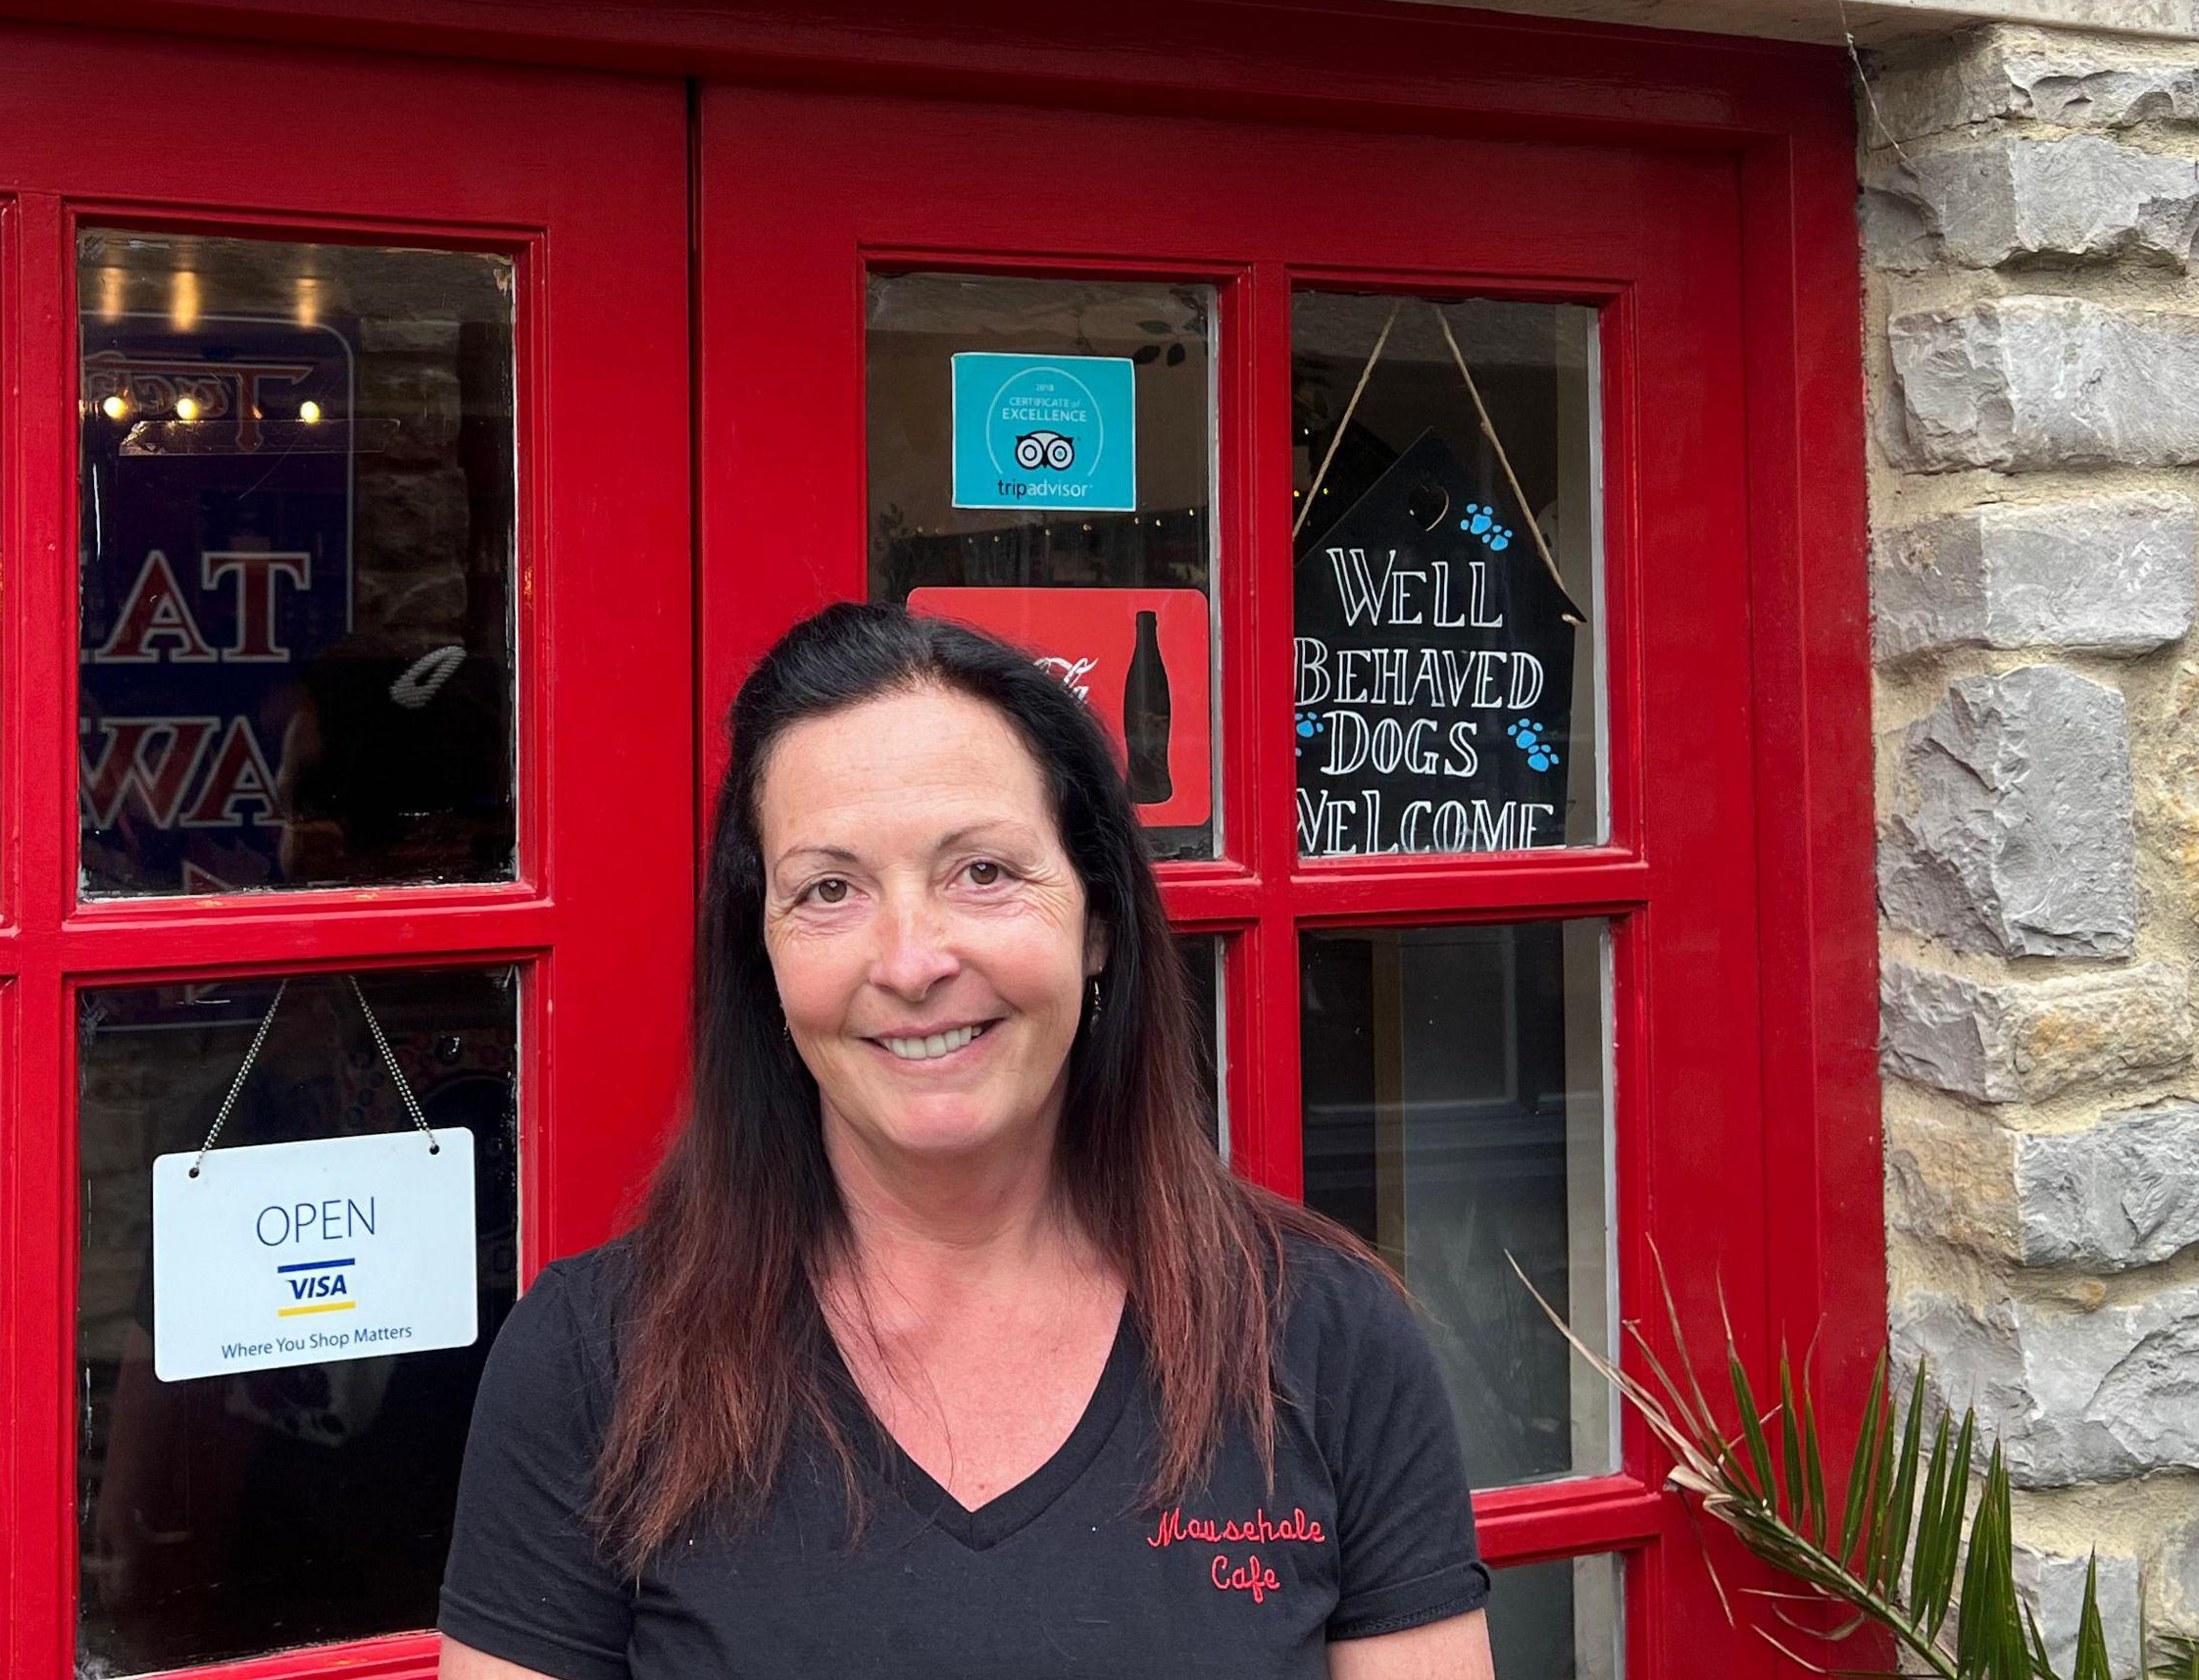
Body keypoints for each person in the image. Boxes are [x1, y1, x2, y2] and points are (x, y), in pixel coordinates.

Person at [437, 604, 1494, 1680]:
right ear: (762, 958)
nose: (909, 961)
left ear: (1098, 923)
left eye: (982, 872)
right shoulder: (591, 1366)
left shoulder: (1325, 1337)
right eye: (830, 890)